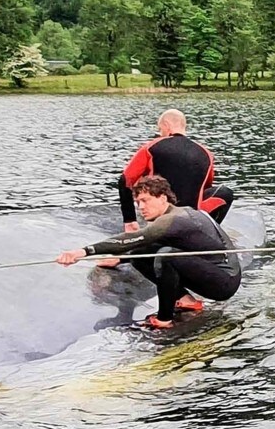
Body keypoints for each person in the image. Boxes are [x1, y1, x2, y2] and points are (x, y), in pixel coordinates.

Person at [58, 175, 240, 330]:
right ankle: (186, 301)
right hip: (214, 273)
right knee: (141, 254)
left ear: (163, 198)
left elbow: (131, 238)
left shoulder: (174, 220)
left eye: (145, 200)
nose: (141, 207)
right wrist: (121, 259)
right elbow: (143, 245)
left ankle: (164, 319)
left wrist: (82, 252)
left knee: (166, 257)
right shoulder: (179, 214)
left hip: (224, 282)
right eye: (137, 202)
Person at [116, 109, 231, 224]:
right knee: (224, 193)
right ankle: (212, 229)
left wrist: (129, 220)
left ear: (166, 125)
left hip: (160, 217)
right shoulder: (206, 153)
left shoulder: (151, 147)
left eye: (160, 129)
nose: (160, 133)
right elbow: (206, 187)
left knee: (142, 180)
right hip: (191, 217)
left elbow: (125, 181)